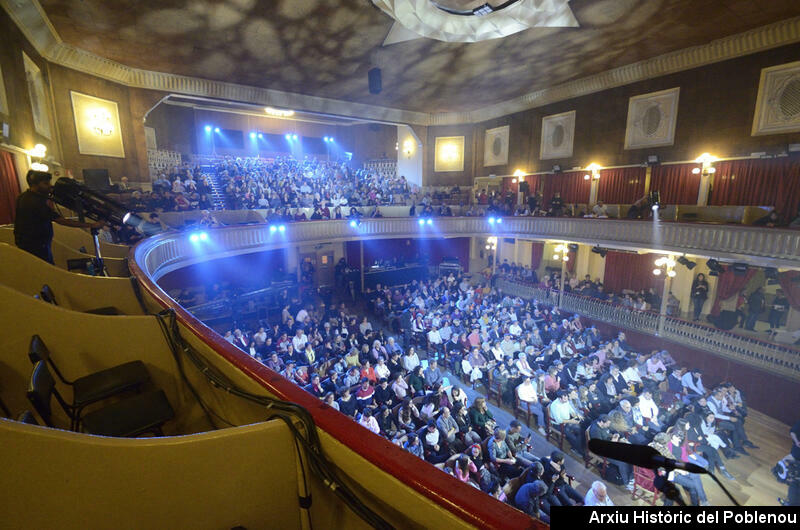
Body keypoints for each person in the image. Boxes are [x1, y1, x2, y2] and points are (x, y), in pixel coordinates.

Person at [14, 171, 104, 263]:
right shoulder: (35, 202)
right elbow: (62, 221)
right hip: (37, 247)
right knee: (47, 272)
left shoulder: (23, 197)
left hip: (30, 245)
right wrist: (92, 225)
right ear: (35, 185)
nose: (50, 186)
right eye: (45, 183)